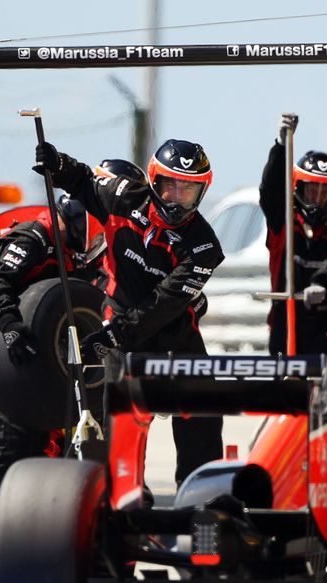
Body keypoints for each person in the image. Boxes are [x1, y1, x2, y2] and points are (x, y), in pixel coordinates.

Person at [35, 140, 225, 485]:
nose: (177, 198)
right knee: (121, 415)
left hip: (173, 330)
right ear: (154, 181)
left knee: (203, 405)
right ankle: (123, 490)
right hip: (120, 319)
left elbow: (163, 304)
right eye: (171, 187)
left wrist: (114, 334)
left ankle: (202, 489)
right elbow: (82, 180)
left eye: (188, 190)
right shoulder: (122, 195)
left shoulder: (205, 247)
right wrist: (58, 163)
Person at [0, 192, 102, 484]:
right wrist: (10, 324)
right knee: (12, 427)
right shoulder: (32, 239)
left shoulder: (67, 252)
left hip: (7, 334)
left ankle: (21, 500)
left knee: (35, 426)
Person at [258, 114, 327, 355]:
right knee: (284, 389)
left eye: (325, 192)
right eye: (313, 190)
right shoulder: (284, 220)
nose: (318, 198)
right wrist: (281, 147)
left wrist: (322, 283)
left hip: (323, 325)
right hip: (284, 321)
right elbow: (270, 192)